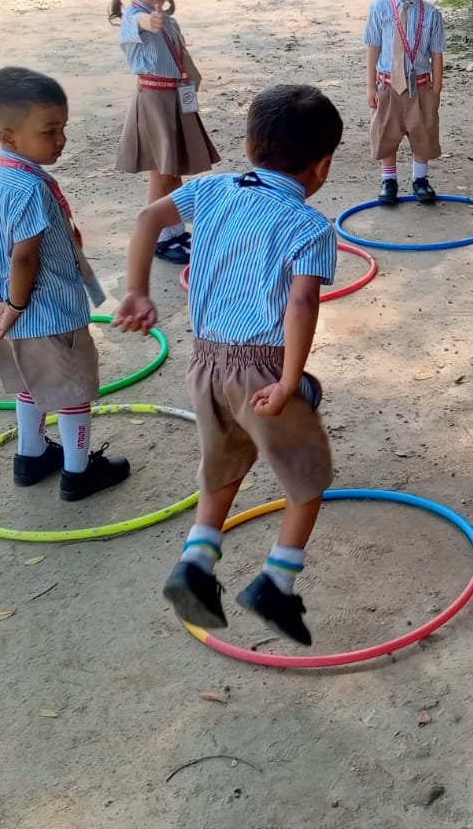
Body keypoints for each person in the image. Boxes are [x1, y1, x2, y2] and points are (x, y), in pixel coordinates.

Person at [116, 84, 343, 645]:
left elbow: (147, 217)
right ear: (322, 166)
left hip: (206, 363)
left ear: (246, 146)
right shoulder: (309, 227)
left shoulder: (212, 189)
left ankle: (195, 564)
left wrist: (137, 290)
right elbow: (301, 304)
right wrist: (288, 381)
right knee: (308, 477)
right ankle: (276, 585)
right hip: (262, 369)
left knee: (224, 464)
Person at [0, 67, 130, 501]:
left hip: (14, 311)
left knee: (32, 383)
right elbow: (24, 256)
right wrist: (15, 306)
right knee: (73, 391)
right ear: (9, 137)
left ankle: (31, 455)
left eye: (63, 127)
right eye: (49, 131)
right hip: (48, 312)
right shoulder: (28, 188)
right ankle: (78, 473)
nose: (61, 139)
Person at [112, 0, 220, 264]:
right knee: (161, 173)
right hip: (154, 101)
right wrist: (148, 21)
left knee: (173, 171)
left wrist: (192, 80)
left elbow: (180, 54)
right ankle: (159, 236)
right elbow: (137, 24)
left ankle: (173, 230)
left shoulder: (169, 22)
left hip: (175, 97)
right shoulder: (134, 18)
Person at [365, 0, 447, 206]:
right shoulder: (379, 9)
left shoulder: (432, 14)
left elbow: (437, 55)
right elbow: (373, 48)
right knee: (386, 133)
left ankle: (420, 180)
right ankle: (388, 181)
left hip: (420, 86)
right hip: (387, 86)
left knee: (422, 132)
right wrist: (370, 86)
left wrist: (436, 91)